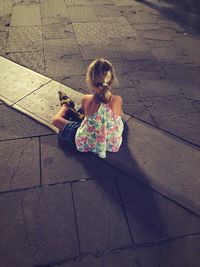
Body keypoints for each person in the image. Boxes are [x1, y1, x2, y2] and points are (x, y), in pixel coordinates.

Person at [52, 58, 124, 158]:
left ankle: (66, 106)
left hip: (88, 141)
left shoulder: (86, 99)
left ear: (90, 80)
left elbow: (85, 119)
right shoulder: (118, 100)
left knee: (56, 120)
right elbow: (118, 117)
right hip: (112, 143)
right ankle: (71, 110)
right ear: (111, 79)